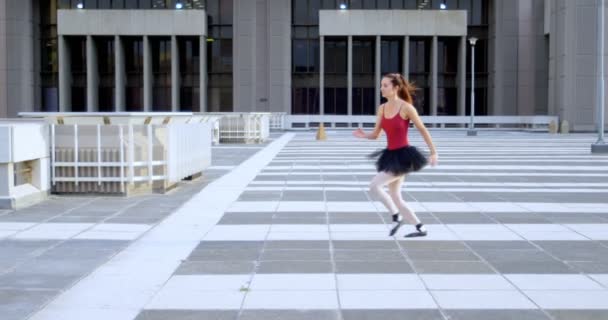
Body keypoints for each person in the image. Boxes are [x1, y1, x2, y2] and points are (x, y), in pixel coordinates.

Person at [353, 73, 438, 237]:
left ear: (396, 88)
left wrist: (434, 152)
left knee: (375, 185)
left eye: (385, 85)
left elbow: (422, 129)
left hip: (404, 156)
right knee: (396, 197)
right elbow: (376, 134)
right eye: (381, 85)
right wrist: (364, 135)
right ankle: (421, 228)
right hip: (390, 156)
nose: (381, 88)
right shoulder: (382, 108)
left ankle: (396, 216)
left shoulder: (406, 107)